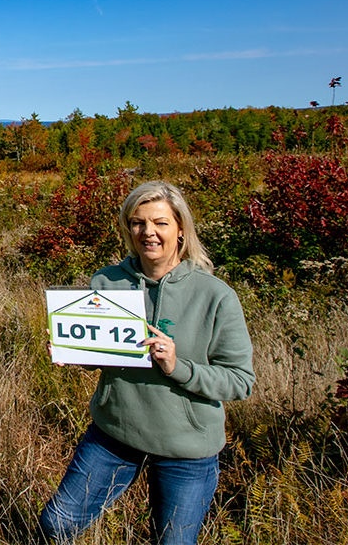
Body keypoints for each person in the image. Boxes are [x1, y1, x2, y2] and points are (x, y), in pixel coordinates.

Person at [38, 180, 255, 545]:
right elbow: (106, 356)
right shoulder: (107, 282)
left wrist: (177, 366)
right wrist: (74, 352)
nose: (148, 232)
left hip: (187, 449)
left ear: (181, 229)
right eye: (138, 222)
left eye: (160, 223)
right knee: (57, 524)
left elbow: (240, 380)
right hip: (114, 434)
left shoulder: (216, 296)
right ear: (128, 228)